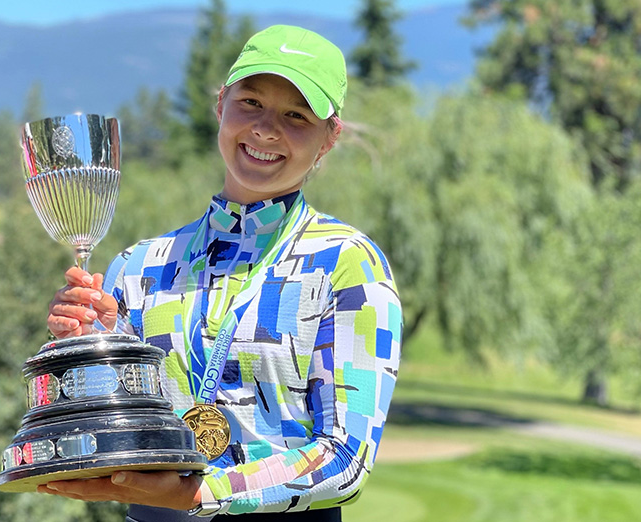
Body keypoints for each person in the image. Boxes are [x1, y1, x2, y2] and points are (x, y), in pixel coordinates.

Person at [39, 24, 402, 521]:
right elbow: (118, 427)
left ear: (328, 139)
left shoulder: (347, 264)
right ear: (220, 106)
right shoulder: (139, 265)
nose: (266, 129)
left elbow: (346, 458)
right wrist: (88, 347)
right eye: (251, 102)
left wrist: (198, 495)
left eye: (296, 115)